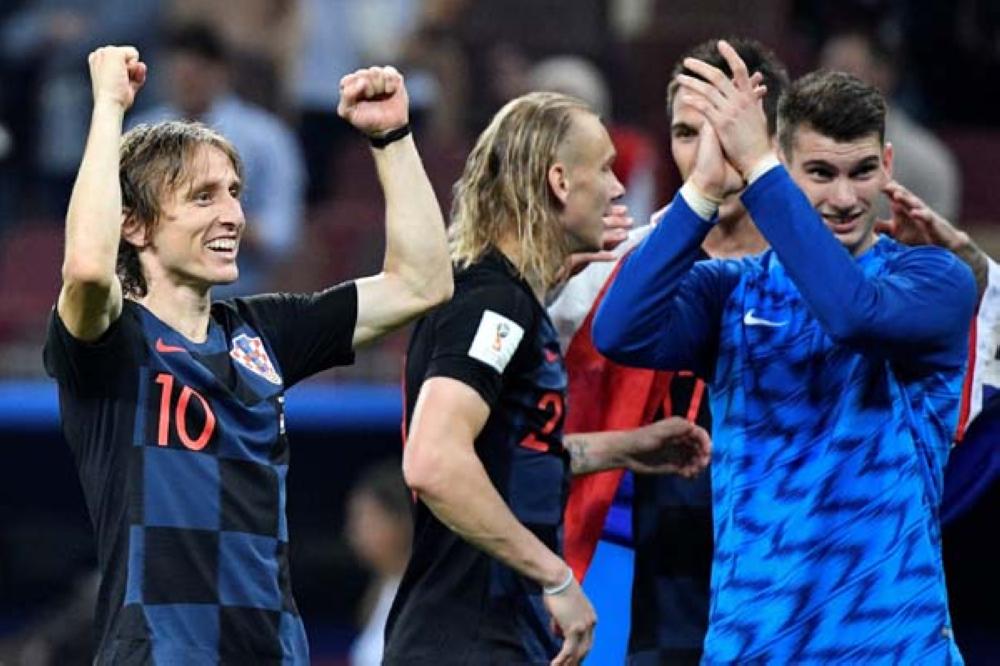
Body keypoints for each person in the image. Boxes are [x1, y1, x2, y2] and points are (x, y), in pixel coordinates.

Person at [42, 46, 452, 664]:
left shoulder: (264, 332)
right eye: (204, 197)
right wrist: (108, 108)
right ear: (135, 225)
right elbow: (87, 267)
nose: (234, 214)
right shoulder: (111, 343)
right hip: (161, 651)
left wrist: (392, 137)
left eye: (234, 193)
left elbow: (423, 283)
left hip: (273, 651)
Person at [593, 41, 975, 663]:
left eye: (862, 172)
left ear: (888, 164)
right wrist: (703, 190)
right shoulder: (730, 290)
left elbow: (853, 315)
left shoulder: (933, 280)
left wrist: (765, 176)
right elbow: (620, 332)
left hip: (892, 647)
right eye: (820, 174)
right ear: (786, 170)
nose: (846, 198)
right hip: (753, 646)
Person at [384, 91, 711, 666]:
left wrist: (624, 449)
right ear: (560, 182)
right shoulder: (492, 304)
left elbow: (504, 453)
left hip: (493, 638)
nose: (616, 187)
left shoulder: (510, 304)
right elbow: (433, 460)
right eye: (605, 167)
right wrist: (555, 577)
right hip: (466, 642)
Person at [549, 37, 788, 665]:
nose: (708, 154)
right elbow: (514, 428)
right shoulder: (606, 276)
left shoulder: (833, 278)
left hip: (806, 594)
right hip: (665, 597)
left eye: (724, 130)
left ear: (773, 140)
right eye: (687, 133)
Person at [128, 23, 306, 297]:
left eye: (196, 73)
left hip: (240, 294)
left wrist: (206, 221)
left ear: (220, 73)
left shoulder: (267, 137)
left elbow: (280, 233)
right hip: (156, 295)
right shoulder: (139, 133)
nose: (186, 82)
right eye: (178, 73)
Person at [819, 29, 962, 221]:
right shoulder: (793, 154)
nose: (828, 85)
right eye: (824, 72)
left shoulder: (925, 163)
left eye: (845, 70)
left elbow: (936, 245)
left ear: (881, 76)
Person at [345, 461, 412, 666]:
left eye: (366, 520)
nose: (353, 533)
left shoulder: (422, 598)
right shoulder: (377, 594)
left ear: (400, 523)